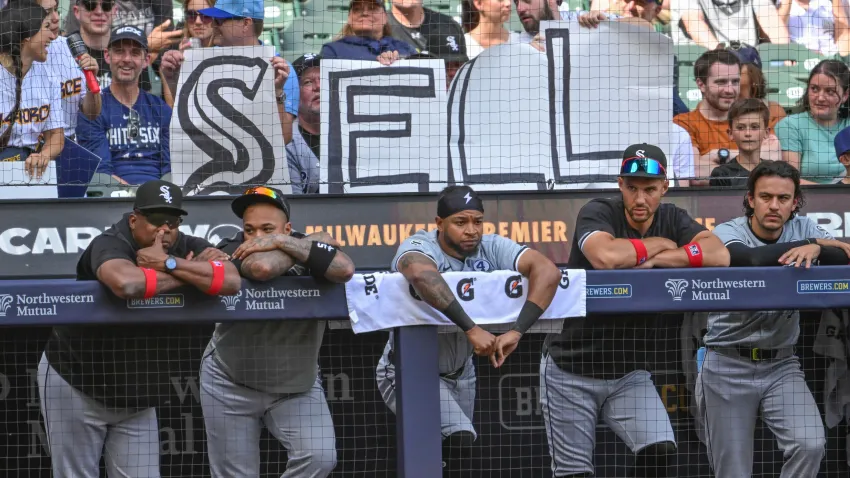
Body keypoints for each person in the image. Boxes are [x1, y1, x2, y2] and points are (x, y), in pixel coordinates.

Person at [541, 144, 730, 477]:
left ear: (664, 188)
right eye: (632, 188)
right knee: (574, 472)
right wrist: (658, 244)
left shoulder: (672, 217)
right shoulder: (598, 211)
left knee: (659, 451)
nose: (640, 199)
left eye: (649, 190)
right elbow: (607, 258)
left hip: (629, 372)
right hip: (571, 367)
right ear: (620, 185)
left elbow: (718, 254)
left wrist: (655, 260)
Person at [37, 179, 240, 478]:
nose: (164, 230)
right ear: (134, 220)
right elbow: (126, 283)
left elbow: (232, 281)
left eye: (172, 221)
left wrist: (168, 264)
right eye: (156, 220)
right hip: (77, 380)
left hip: (136, 396)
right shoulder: (112, 241)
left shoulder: (185, 245)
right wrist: (192, 275)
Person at [376, 185, 562, 477]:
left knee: (451, 457)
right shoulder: (422, 244)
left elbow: (548, 271)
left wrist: (517, 331)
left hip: (462, 372)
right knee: (459, 439)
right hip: (406, 368)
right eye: (460, 222)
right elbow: (421, 275)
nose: (471, 230)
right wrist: (471, 328)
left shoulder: (491, 246)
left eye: (477, 221)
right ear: (439, 224)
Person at [696, 160, 850, 477]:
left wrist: (818, 246)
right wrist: (815, 245)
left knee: (810, 444)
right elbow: (749, 260)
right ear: (750, 199)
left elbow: (845, 252)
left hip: (781, 364)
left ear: (795, 203)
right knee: (733, 471)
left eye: (783, 199)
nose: (774, 205)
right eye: (765, 197)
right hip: (727, 363)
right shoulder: (728, 230)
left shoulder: (804, 228)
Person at [200, 186, 355, 477]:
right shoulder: (232, 246)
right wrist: (313, 243)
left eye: (267, 229)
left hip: (295, 385)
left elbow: (345, 269)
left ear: (287, 228)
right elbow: (260, 268)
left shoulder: (295, 244)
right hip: (230, 381)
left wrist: (286, 243)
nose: (257, 237)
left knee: (320, 457)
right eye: (250, 229)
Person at [160, 0, 299, 143]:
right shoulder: (202, 61)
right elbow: (184, 120)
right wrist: (173, 79)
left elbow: (284, 138)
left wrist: (277, 92)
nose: (213, 25)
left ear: (246, 23)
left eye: (220, 21)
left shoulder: (280, 71)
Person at [76, 26, 172, 185]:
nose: (127, 59)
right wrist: (133, 193)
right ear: (107, 55)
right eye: (119, 51)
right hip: (111, 196)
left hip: (158, 195)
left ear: (146, 60)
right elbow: (101, 171)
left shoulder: (160, 109)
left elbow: (169, 167)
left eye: (135, 53)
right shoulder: (95, 108)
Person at [0, 0, 63, 178]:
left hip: (33, 170)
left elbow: (56, 137)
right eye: (46, 27)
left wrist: (43, 155)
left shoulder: (50, 77)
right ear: (27, 34)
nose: (52, 36)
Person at [775, 59, 850, 184]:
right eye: (814, 89)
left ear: (845, 95)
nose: (820, 98)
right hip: (809, 200)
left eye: (830, 91)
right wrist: (836, 192)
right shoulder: (790, 125)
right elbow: (790, 180)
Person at [674, 49, 741, 185]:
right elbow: (696, 174)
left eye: (735, 81)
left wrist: (719, 156)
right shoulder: (683, 124)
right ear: (701, 84)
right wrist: (747, 162)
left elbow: (771, 159)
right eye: (721, 82)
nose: (730, 89)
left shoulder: (753, 119)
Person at [38, 0, 102, 140]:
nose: (56, 18)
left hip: (68, 144)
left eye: (56, 10)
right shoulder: (12, 56)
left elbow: (92, 113)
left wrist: (91, 83)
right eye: (48, 12)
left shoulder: (70, 47)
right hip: (27, 148)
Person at [160, 0, 216, 107]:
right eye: (191, 15)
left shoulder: (227, 50)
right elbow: (172, 109)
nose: (198, 21)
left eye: (206, 15)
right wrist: (177, 72)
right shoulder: (171, 55)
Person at [320, 0, 417, 60]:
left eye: (372, 8)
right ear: (349, 17)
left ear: (385, 17)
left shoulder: (406, 49)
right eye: (357, 9)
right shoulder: (332, 50)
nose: (365, 13)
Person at [710, 98, 771, 187]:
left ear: (766, 132)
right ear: (730, 133)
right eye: (740, 128)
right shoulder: (722, 174)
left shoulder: (774, 171)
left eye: (754, 127)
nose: (748, 133)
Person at [287, 54, 321, 194]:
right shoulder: (287, 142)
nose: (318, 86)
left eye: (323, 79)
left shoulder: (349, 133)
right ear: (295, 92)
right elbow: (296, 207)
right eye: (308, 82)